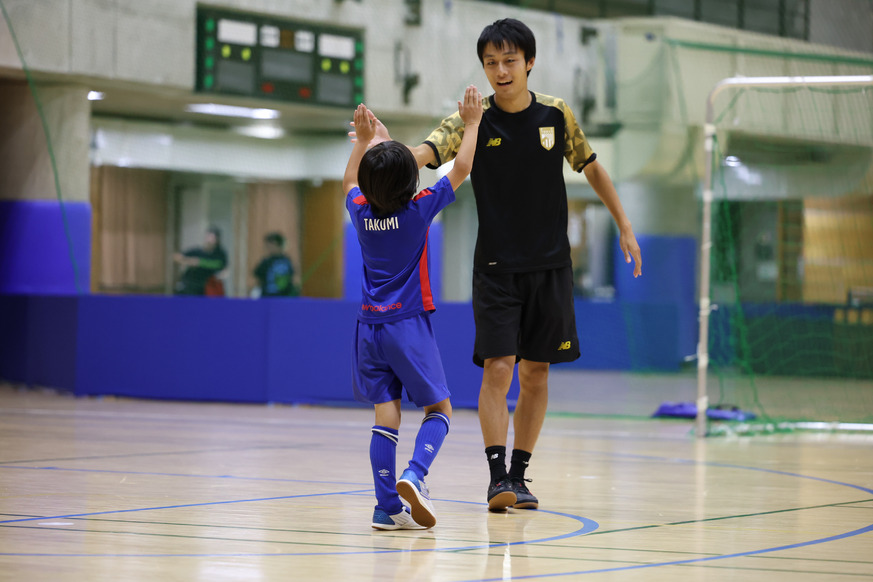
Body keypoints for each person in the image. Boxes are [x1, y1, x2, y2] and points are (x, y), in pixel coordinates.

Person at [354, 18, 642, 512]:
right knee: (499, 367)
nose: (501, 71)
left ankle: (520, 475)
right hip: (495, 268)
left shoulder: (556, 114)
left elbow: (592, 166)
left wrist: (624, 224)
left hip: (550, 266)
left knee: (537, 373)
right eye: (491, 63)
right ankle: (496, 478)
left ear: (530, 62)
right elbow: (424, 153)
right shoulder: (471, 118)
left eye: (510, 61)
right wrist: (382, 150)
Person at [344, 86, 483, 530]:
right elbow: (462, 167)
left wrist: (368, 143)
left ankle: (386, 507)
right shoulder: (418, 211)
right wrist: (473, 123)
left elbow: (350, 182)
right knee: (439, 410)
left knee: (386, 415)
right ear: (412, 183)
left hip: (368, 330)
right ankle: (416, 475)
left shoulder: (360, 211)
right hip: (407, 325)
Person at [173, 226, 228, 296]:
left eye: (212, 238)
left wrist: (199, 262)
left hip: (206, 286)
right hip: (190, 283)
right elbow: (177, 256)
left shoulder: (220, 254)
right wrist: (188, 262)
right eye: (208, 237)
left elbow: (220, 265)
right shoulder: (197, 251)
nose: (209, 240)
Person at [252, 232, 297, 297]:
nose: (270, 248)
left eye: (272, 245)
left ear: (280, 245)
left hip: (284, 296)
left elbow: (291, 277)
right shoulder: (266, 262)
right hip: (267, 296)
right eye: (268, 246)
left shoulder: (287, 261)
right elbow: (258, 278)